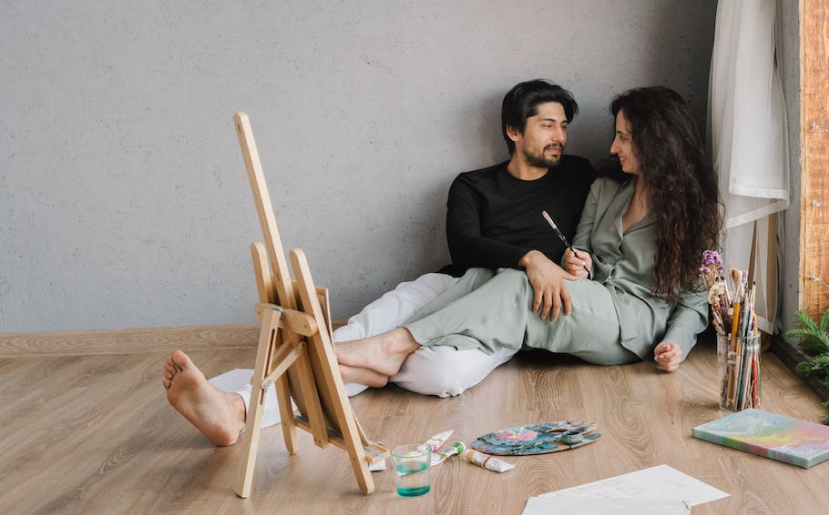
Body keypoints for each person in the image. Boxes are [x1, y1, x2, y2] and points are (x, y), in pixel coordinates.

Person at [163, 79, 595, 445]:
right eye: (547, 124)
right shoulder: (472, 185)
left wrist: (581, 264)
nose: (560, 135)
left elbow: (605, 235)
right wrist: (530, 256)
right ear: (514, 131)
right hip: (450, 285)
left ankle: (360, 365)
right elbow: (463, 247)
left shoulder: (579, 176)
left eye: (563, 126)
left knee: (440, 374)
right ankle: (239, 406)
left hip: (505, 309)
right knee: (359, 333)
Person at [334, 86, 721, 387]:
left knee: (520, 285)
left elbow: (695, 299)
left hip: (633, 325)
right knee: (491, 275)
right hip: (590, 296)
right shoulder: (606, 188)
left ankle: (393, 345)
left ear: (656, 141)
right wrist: (579, 264)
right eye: (615, 135)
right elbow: (581, 249)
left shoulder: (688, 209)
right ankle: (378, 358)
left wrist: (678, 344)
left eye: (624, 137)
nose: (612, 146)